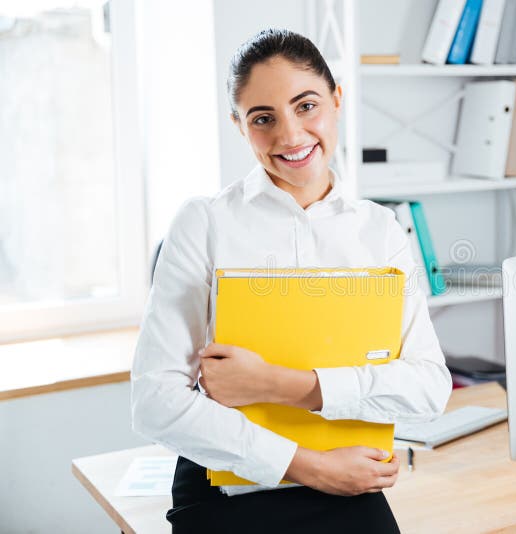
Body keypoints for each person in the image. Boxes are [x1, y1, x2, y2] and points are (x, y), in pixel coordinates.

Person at [130, 28, 452, 533]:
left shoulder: (379, 230)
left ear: (337, 99)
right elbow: (154, 403)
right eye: (263, 119)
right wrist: (310, 466)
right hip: (228, 487)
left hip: (352, 481)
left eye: (306, 106)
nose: (290, 136)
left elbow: (429, 389)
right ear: (239, 125)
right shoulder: (205, 223)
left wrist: (278, 384)